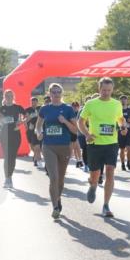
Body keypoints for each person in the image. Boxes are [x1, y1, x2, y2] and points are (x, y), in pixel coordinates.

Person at [79, 78, 126, 218]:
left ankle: (106, 205)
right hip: (95, 144)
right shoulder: (91, 104)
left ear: (112, 90)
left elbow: (120, 118)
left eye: (109, 90)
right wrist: (87, 134)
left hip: (112, 143)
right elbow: (80, 121)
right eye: (104, 90)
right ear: (99, 89)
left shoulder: (117, 104)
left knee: (110, 171)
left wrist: (123, 127)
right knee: (95, 174)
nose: (106, 93)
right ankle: (93, 185)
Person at [37, 83, 79, 219]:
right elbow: (38, 126)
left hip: (64, 146)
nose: (56, 94)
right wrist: (39, 132)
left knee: (60, 180)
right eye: (53, 92)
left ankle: (58, 197)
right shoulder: (44, 109)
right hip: (48, 146)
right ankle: (55, 206)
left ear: (61, 93)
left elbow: (75, 130)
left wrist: (65, 122)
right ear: (49, 94)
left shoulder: (67, 109)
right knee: (53, 177)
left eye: (58, 92)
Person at [0, 89, 25, 188]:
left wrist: (21, 122)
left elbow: (26, 116)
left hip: (15, 134)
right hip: (4, 134)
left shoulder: (18, 107)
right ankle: (7, 178)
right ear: (4, 97)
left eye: (10, 96)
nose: (9, 97)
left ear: (13, 97)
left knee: (12, 157)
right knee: (7, 157)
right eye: (7, 96)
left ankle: (9, 176)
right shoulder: (2, 108)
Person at [118, 95, 130, 171]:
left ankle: (128, 163)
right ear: (120, 101)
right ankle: (123, 164)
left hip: (129, 131)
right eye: (122, 100)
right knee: (122, 149)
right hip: (120, 132)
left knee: (129, 148)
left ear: (127, 101)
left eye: (125, 99)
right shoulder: (118, 110)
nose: (123, 101)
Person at [24, 96, 43, 169]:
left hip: (38, 130)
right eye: (32, 102)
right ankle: (35, 156)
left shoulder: (40, 109)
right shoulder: (27, 110)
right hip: (30, 131)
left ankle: (38, 160)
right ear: (30, 102)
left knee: (37, 146)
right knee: (32, 146)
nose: (34, 103)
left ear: (37, 102)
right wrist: (27, 126)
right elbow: (24, 120)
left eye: (35, 102)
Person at [69, 101, 83, 168]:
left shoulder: (80, 112)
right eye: (73, 106)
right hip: (71, 131)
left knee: (77, 146)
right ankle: (78, 160)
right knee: (74, 147)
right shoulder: (70, 113)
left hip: (77, 131)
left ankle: (79, 160)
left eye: (76, 106)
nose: (75, 107)